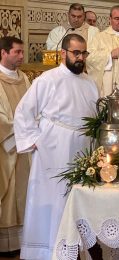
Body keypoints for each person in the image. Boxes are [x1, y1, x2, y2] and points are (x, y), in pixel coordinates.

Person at [14, 34, 99, 260]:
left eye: (84, 53)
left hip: (84, 150)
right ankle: (47, 251)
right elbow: (24, 111)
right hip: (54, 149)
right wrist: (35, 140)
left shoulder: (90, 83)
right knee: (53, 198)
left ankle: (75, 249)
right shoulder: (47, 79)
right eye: (76, 53)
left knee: (78, 199)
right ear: (63, 54)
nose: (81, 58)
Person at [0, 36, 30, 254]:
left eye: (22, 52)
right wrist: (19, 133)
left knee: (25, 189)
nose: (21, 56)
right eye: (17, 52)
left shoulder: (25, 79)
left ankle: (23, 240)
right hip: (6, 148)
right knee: (8, 191)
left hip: (26, 146)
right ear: (3, 52)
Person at [86, 5, 119, 97]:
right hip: (106, 86)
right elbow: (89, 59)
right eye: (117, 18)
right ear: (110, 19)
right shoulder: (99, 37)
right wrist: (110, 55)